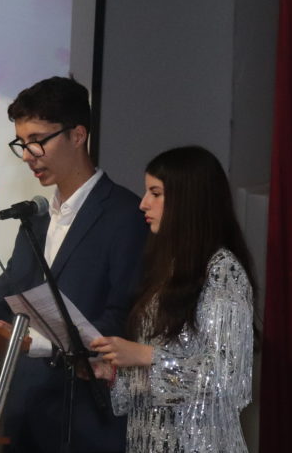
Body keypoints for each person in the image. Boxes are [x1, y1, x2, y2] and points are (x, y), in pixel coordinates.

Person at [0, 76, 147, 453]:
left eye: (37, 140)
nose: (27, 155)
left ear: (77, 135)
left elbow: (124, 317)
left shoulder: (125, 214)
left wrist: (42, 345)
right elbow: (2, 300)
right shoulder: (35, 219)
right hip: (24, 415)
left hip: (86, 420)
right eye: (21, 143)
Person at [90, 145, 257, 453]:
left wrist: (145, 356)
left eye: (156, 193)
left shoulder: (222, 271)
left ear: (188, 201)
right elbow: (161, 377)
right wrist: (113, 372)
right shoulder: (165, 270)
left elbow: (226, 377)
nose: (143, 203)